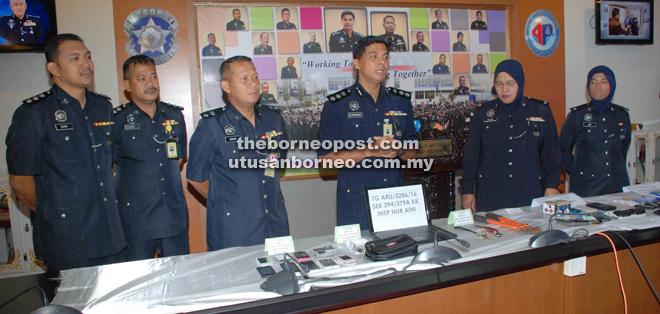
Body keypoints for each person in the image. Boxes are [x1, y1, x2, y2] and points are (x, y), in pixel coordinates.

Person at [6, 34, 125, 271]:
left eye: (88, 57)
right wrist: (57, 212)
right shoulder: (35, 113)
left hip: (110, 233)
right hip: (68, 240)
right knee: (72, 306)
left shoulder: (102, 107)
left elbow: (106, 164)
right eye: (75, 58)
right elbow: (20, 183)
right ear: (54, 68)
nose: (86, 63)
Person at [187, 56, 290, 250]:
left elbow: (277, 163)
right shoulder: (212, 125)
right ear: (226, 86)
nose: (253, 84)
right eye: (244, 79)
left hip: (274, 222)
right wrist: (226, 205)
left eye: (255, 77)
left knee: (280, 277)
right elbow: (196, 178)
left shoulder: (273, 119)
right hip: (234, 229)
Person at [318, 36, 418, 230]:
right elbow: (326, 161)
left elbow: (413, 152)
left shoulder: (400, 102)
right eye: (374, 56)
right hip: (356, 201)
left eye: (385, 57)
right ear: (357, 63)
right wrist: (369, 151)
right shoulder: (337, 104)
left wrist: (398, 148)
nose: (382, 61)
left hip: (395, 200)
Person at [111, 55, 189, 261]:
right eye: (142, 78)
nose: (150, 83)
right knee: (138, 282)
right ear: (127, 85)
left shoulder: (174, 115)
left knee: (178, 276)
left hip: (173, 214)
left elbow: (179, 158)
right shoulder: (116, 120)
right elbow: (107, 168)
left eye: (153, 76)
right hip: (136, 219)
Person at [460, 60, 561, 213]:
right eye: (499, 84)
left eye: (510, 83)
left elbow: (552, 154)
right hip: (492, 192)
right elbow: (471, 155)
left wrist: (552, 186)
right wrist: (467, 189)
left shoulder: (540, 111)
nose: (504, 89)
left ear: (520, 82)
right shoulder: (483, 113)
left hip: (529, 191)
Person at [560, 66, 631, 197]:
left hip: (616, 184)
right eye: (593, 82)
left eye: (603, 82)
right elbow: (563, 148)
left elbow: (622, 149)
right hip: (587, 186)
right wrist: (577, 171)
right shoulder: (577, 115)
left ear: (612, 85)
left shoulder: (622, 115)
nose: (598, 86)